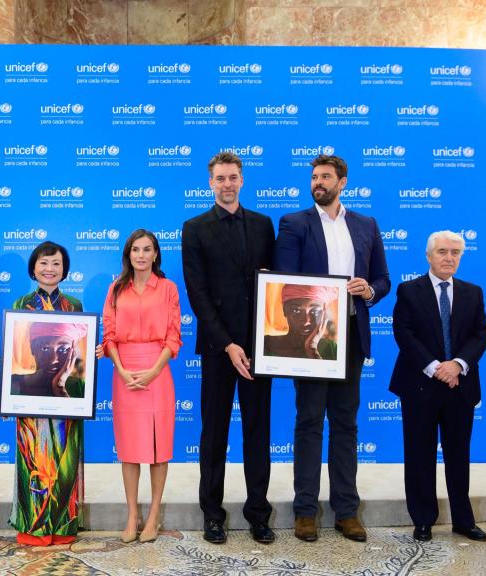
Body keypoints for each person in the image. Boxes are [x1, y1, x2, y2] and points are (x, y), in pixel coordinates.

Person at [274, 154, 390, 542]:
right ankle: (305, 511)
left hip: (350, 336)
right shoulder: (294, 224)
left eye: (325, 177)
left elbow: (383, 279)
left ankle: (346, 511)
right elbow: (285, 280)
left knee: (346, 425)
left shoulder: (366, 224)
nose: (318, 182)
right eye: (314, 177)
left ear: (343, 182)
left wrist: (368, 290)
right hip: (308, 341)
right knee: (308, 423)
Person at [182, 151, 276, 545]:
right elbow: (197, 295)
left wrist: (256, 343)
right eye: (220, 178)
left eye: (233, 177)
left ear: (242, 180)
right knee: (214, 433)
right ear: (210, 182)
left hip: (260, 348)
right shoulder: (195, 227)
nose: (227, 184)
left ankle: (258, 514)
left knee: (258, 433)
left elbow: (275, 288)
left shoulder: (262, 224)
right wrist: (228, 344)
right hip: (219, 349)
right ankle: (213, 515)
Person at [389, 231, 486, 543]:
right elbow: (404, 334)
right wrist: (435, 367)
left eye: (456, 252)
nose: (450, 258)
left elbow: (480, 335)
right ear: (429, 256)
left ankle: (463, 520)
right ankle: (423, 520)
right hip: (420, 384)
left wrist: (457, 364)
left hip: (460, 385)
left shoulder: (473, 292)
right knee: (419, 455)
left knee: (459, 455)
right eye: (443, 252)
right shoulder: (409, 290)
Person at [102, 229, 181, 544]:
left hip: (157, 372)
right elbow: (108, 335)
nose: (141, 255)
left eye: (147, 249)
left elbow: (174, 335)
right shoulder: (116, 289)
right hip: (124, 373)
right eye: (136, 249)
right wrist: (121, 369)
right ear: (128, 254)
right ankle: (132, 513)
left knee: (159, 449)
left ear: (156, 254)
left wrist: (153, 370)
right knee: (130, 450)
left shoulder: (168, 289)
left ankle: (153, 516)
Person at [8, 241, 87, 546]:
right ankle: (33, 528)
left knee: (65, 454)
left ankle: (64, 526)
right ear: (33, 267)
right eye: (44, 263)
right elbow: (12, 350)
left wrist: (87, 359)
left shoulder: (74, 306)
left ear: (64, 270)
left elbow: (79, 358)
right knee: (34, 456)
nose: (49, 269)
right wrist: (8, 390)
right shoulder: (21, 304)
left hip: (66, 399)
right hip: (30, 399)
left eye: (56, 263)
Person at [10, 321, 86, 398]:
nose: (53, 359)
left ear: (73, 352)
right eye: (45, 348)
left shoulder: (79, 387)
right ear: (32, 349)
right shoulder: (10, 383)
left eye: (63, 349)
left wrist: (59, 387)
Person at [264, 284, 339, 360]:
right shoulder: (264, 344)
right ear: (284, 310)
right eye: (296, 311)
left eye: (314, 311)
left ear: (324, 314)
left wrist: (312, 348)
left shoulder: (331, 348)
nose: (306, 321)